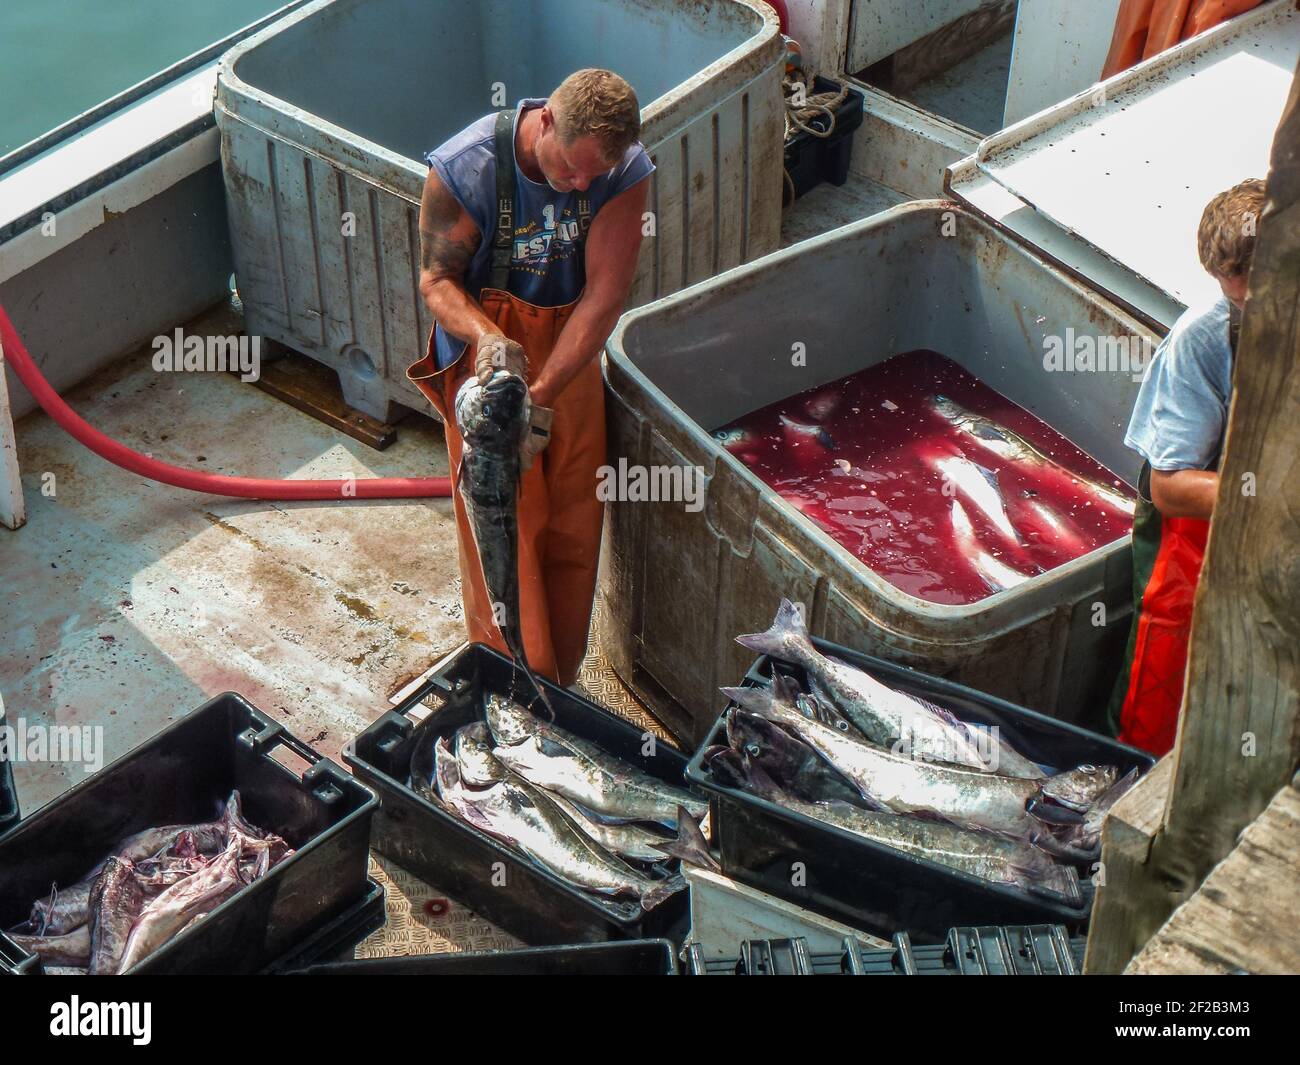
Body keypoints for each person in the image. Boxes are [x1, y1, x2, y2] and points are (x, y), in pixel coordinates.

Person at [408, 69, 653, 688]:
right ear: (545, 121)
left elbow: (604, 295)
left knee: (574, 516)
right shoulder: (465, 169)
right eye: (572, 171)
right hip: (482, 358)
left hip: (569, 356)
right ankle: (510, 678)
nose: (581, 186)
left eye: (594, 176)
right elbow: (437, 282)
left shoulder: (621, 172)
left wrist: (540, 396)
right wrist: (489, 340)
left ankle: (559, 685)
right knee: (504, 530)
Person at [1107, 178, 1264, 755]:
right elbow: (1169, 486)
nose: (1249, 304)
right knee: (1152, 717)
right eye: (1236, 292)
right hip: (1190, 553)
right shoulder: (1203, 341)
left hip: (1270, 563)